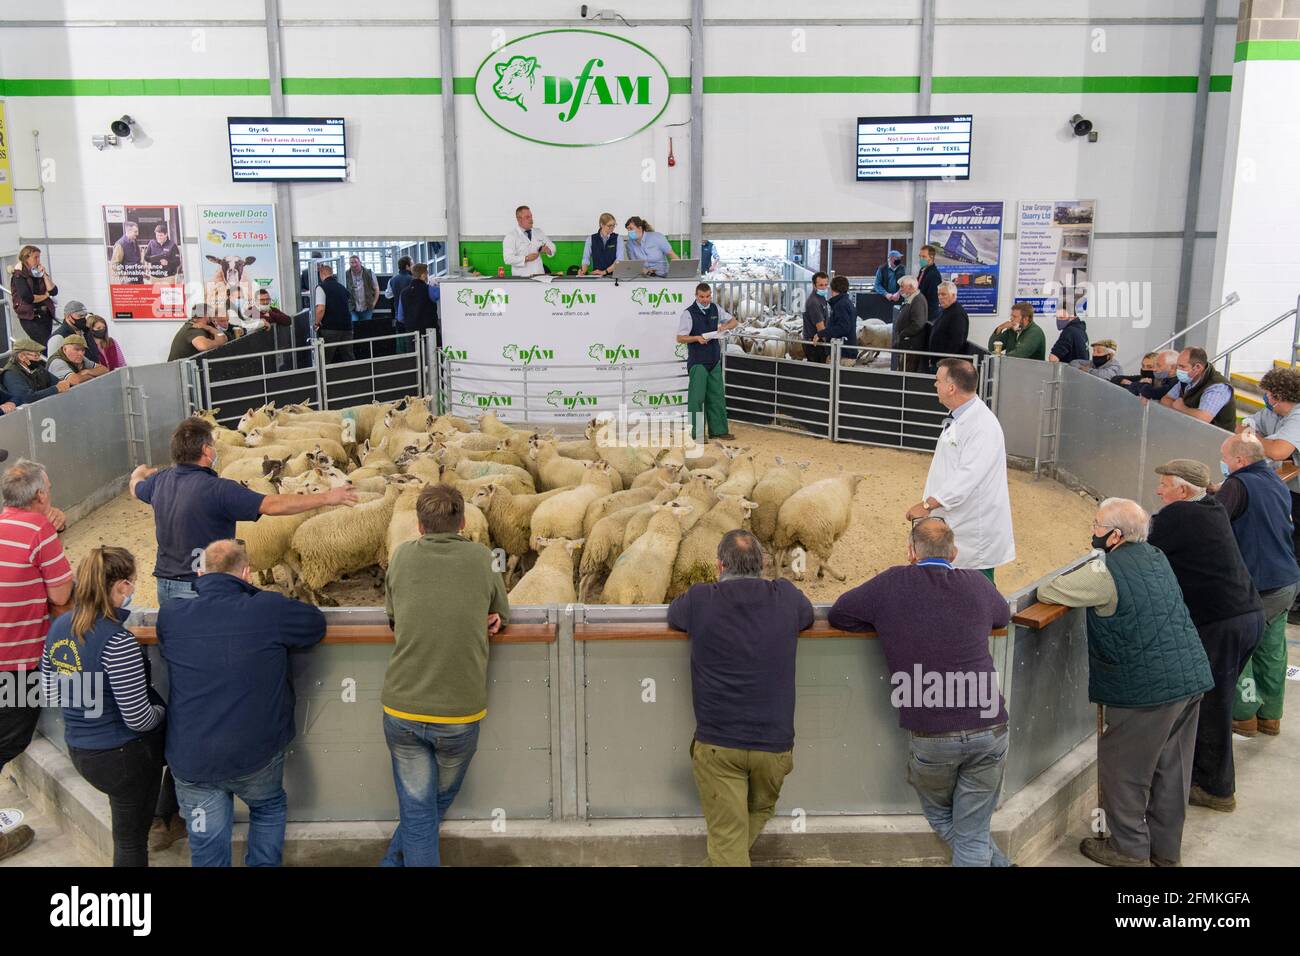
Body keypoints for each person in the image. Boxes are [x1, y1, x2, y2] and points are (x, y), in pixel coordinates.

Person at [1037, 498, 1213, 867]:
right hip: (1190, 678)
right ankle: (1166, 852)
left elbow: (1049, 590)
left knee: (1124, 771)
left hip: (1146, 690)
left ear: (1115, 535)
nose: (1092, 531)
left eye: (1097, 525)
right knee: (1172, 771)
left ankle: (1129, 850)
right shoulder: (1157, 557)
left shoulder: (1106, 573)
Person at [830, 518, 1012, 867]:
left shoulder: (892, 582)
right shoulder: (975, 581)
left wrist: (885, 622)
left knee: (950, 823)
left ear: (911, 552)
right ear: (955, 553)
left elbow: (840, 613)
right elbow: (1001, 617)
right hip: (990, 727)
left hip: (932, 735)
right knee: (970, 830)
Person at [157, 539, 326, 867]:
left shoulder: (173, 614)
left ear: (201, 571)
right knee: (267, 808)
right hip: (255, 754)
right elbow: (315, 624)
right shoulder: (269, 609)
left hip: (193, 758)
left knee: (207, 849)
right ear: (247, 573)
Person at [667, 530, 813, 866]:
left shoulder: (701, 598)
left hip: (720, 745)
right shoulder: (787, 596)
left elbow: (674, 614)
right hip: (774, 748)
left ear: (719, 565)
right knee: (753, 816)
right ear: (763, 564)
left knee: (727, 842)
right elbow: (806, 616)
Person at [381, 485, 509, 867]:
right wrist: (495, 618)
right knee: (428, 804)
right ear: (464, 523)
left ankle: (392, 862)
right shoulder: (484, 558)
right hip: (458, 712)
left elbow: (392, 618)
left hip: (401, 707)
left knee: (420, 807)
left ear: (418, 526)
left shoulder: (401, 556)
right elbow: (501, 610)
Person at [130, 417, 356, 602]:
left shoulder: (159, 482)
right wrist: (327, 496)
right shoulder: (219, 489)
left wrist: (141, 471)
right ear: (207, 450)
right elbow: (273, 505)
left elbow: (134, 486)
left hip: (166, 585)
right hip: (205, 586)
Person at [1148, 459, 1264, 812]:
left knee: (1214, 703)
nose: (1158, 490)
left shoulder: (1177, 516)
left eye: (1165, 484)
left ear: (1182, 491)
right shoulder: (1211, 506)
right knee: (1215, 700)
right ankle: (1206, 777)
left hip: (1224, 623)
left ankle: (1216, 788)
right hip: (1246, 616)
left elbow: (1137, 544)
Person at [41, 547, 165, 867]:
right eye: (132, 582)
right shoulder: (117, 641)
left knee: (125, 834)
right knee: (131, 842)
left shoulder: (58, 627)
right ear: (122, 586)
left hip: (81, 749)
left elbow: (52, 694)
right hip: (121, 756)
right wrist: (165, 714)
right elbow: (139, 719)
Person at [0, 459, 72, 863]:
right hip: (15, 658)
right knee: (10, 736)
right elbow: (61, 595)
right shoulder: (38, 529)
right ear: (41, 495)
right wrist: (50, 530)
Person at [1212, 433, 1300, 738]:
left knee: (1236, 645)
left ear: (1239, 460)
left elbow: (1213, 521)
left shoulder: (1237, 484)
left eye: (1224, 458)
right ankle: (1270, 717)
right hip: (1287, 580)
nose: (1222, 463)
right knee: (1272, 648)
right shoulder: (1277, 480)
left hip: (1256, 585)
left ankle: (1244, 714)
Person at [906, 359, 1014, 581]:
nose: (935, 385)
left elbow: (968, 475)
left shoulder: (982, 425)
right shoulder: (962, 417)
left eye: (938, 381)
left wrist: (927, 505)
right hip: (956, 519)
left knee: (977, 587)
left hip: (974, 528)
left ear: (951, 387)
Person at [1238, 366, 1300, 607]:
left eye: (1267, 393)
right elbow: (1244, 427)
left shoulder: (1297, 416)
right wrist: (1253, 435)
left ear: (1277, 395)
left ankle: (1292, 601)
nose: (1265, 398)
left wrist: (1254, 438)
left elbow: (1277, 450)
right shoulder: (1272, 412)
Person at [676, 282, 739, 442]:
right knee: (696, 399)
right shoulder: (688, 314)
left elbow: (734, 322)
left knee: (717, 396)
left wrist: (724, 326)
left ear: (711, 295)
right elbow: (680, 338)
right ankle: (696, 434)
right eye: (702, 297)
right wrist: (696, 338)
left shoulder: (715, 308)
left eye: (708, 296)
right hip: (698, 362)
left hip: (714, 359)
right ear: (696, 296)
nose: (705, 300)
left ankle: (718, 430)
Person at [1159, 346, 1237, 430]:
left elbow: (1203, 418)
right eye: (1178, 366)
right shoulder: (1187, 378)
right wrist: (1178, 407)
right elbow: (1165, 399)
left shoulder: (1218, 386)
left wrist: (1182, 408)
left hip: (1217, 440)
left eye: (1182, 366)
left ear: (1198, 367)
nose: (1178, 370)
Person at [9, 245, 59, 343]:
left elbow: (53, 291)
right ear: (26, 258)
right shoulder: (19, 275)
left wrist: (44, 275)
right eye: (35, 257)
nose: (38, 260)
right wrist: (45, 296)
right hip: (30, 316)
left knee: (46, 343)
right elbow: (28, 297)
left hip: (45, 314)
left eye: (39, 257)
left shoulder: (37, 272)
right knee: (44, 343)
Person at [3, 338, 72, 402]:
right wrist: (55, 389)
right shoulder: (10, 373)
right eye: (36, 355)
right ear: (22, 356)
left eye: (39, 354)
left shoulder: (37, 368)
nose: (40, 359)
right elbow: (25, 397)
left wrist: (63, 384)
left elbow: (56, 383)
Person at [314, 262, 355, 363]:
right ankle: (356, 375)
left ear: (321, 274)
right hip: (347, 327)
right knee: (348, 356)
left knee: (325, 359)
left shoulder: (321, 287)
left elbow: (320, 309)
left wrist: (316, 322)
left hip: (330, 328)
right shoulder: (342, 288)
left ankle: (323, 379)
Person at [503, 205, 555, 277]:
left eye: (531, 216)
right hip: (521, 278)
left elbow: (552, 247)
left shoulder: (538, 232)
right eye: (527, 217)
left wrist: (548, 250)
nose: (531, 220)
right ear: (519, 219)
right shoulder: (511, 236)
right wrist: (526, 258)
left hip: (539, 276)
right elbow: (507, 259)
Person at [49, 300, 105, 366]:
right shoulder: (58, 338)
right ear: (68, 316)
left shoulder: (86, 332)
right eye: (80, 316)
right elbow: (53, 366)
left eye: (84, 316)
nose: (83, 319)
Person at [893, 275, 929, 373]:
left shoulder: (918, 301)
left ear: (911, 287)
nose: (900, 289)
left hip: (911, 346)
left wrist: (903, 334)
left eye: (902, 286)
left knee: (907, 374)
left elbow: (918, 324)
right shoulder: (912, 299)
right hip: (907, 345)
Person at [400, 263, 441, 347]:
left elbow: (400, 317)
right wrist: (437, 284)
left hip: (411, 331)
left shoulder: (403, 292)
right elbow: (444, 292)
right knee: (434, 355)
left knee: (415, 358)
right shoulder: (430, 289)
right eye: (427, 273)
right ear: (423, 275)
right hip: (430, 331)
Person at [929, 280, 970, 362]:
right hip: (937, 359)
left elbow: (956, 343)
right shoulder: (944, 310)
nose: (940, 297)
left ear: (953, 295)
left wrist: (945, 362)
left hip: (946, 363)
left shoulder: (957, 314)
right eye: (939, 294)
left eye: (944, 294)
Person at [824, 274, 858, 362]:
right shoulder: (847, 302)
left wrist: (823, 333)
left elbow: (843, 328)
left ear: (832, 289)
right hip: (846, 351)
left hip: (842, 354)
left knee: (835, 375)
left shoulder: (840, 305)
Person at [802, 271, 831, 364]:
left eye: (826, 285)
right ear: (814, 285)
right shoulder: (814, 302)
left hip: (818, 341)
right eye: (821, 285)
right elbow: (821, 328)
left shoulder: (821, 298)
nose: (824, 288)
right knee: (818, 373)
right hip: (814, 344)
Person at [345, 254, 380, 324]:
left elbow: (376, 289)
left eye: (356, 262)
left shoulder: (369, 273)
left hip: (367, 307)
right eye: (352, 263)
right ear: (349, 264)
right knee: (353, 325)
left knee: (366, 328)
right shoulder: (346, 275)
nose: (354, 265)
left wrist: (373, 303)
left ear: (360, 263)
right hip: (352, 308)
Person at [915, 244, 941, 322]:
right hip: (920, 311)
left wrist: (925, 319)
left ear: (931, 258)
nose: (921, 259)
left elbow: (933, 301)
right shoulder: (923, 270)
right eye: (920, 256)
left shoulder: (934, 275)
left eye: (924, 257)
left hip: (928, 316)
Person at [385, 255, 414, 320]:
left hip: (398, 315)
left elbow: (388, 295)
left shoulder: (392, 280)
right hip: (412, 316)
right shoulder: (414, 280)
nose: (413, 267)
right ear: (407, 267)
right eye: (412, 265)